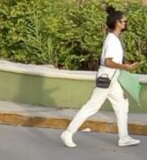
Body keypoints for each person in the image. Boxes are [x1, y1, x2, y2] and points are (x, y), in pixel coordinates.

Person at [60, 8, 142, 147]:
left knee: (122, 105)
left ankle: (124, 137)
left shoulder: (115, 39)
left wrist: (123, 67)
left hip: (112, 79)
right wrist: (125, 67)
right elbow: (107, 61)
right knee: (91, 107)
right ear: (117, 23)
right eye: (124, 21)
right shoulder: (111, 40)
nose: (125, 24)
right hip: (106, 79)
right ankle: (68, 133)